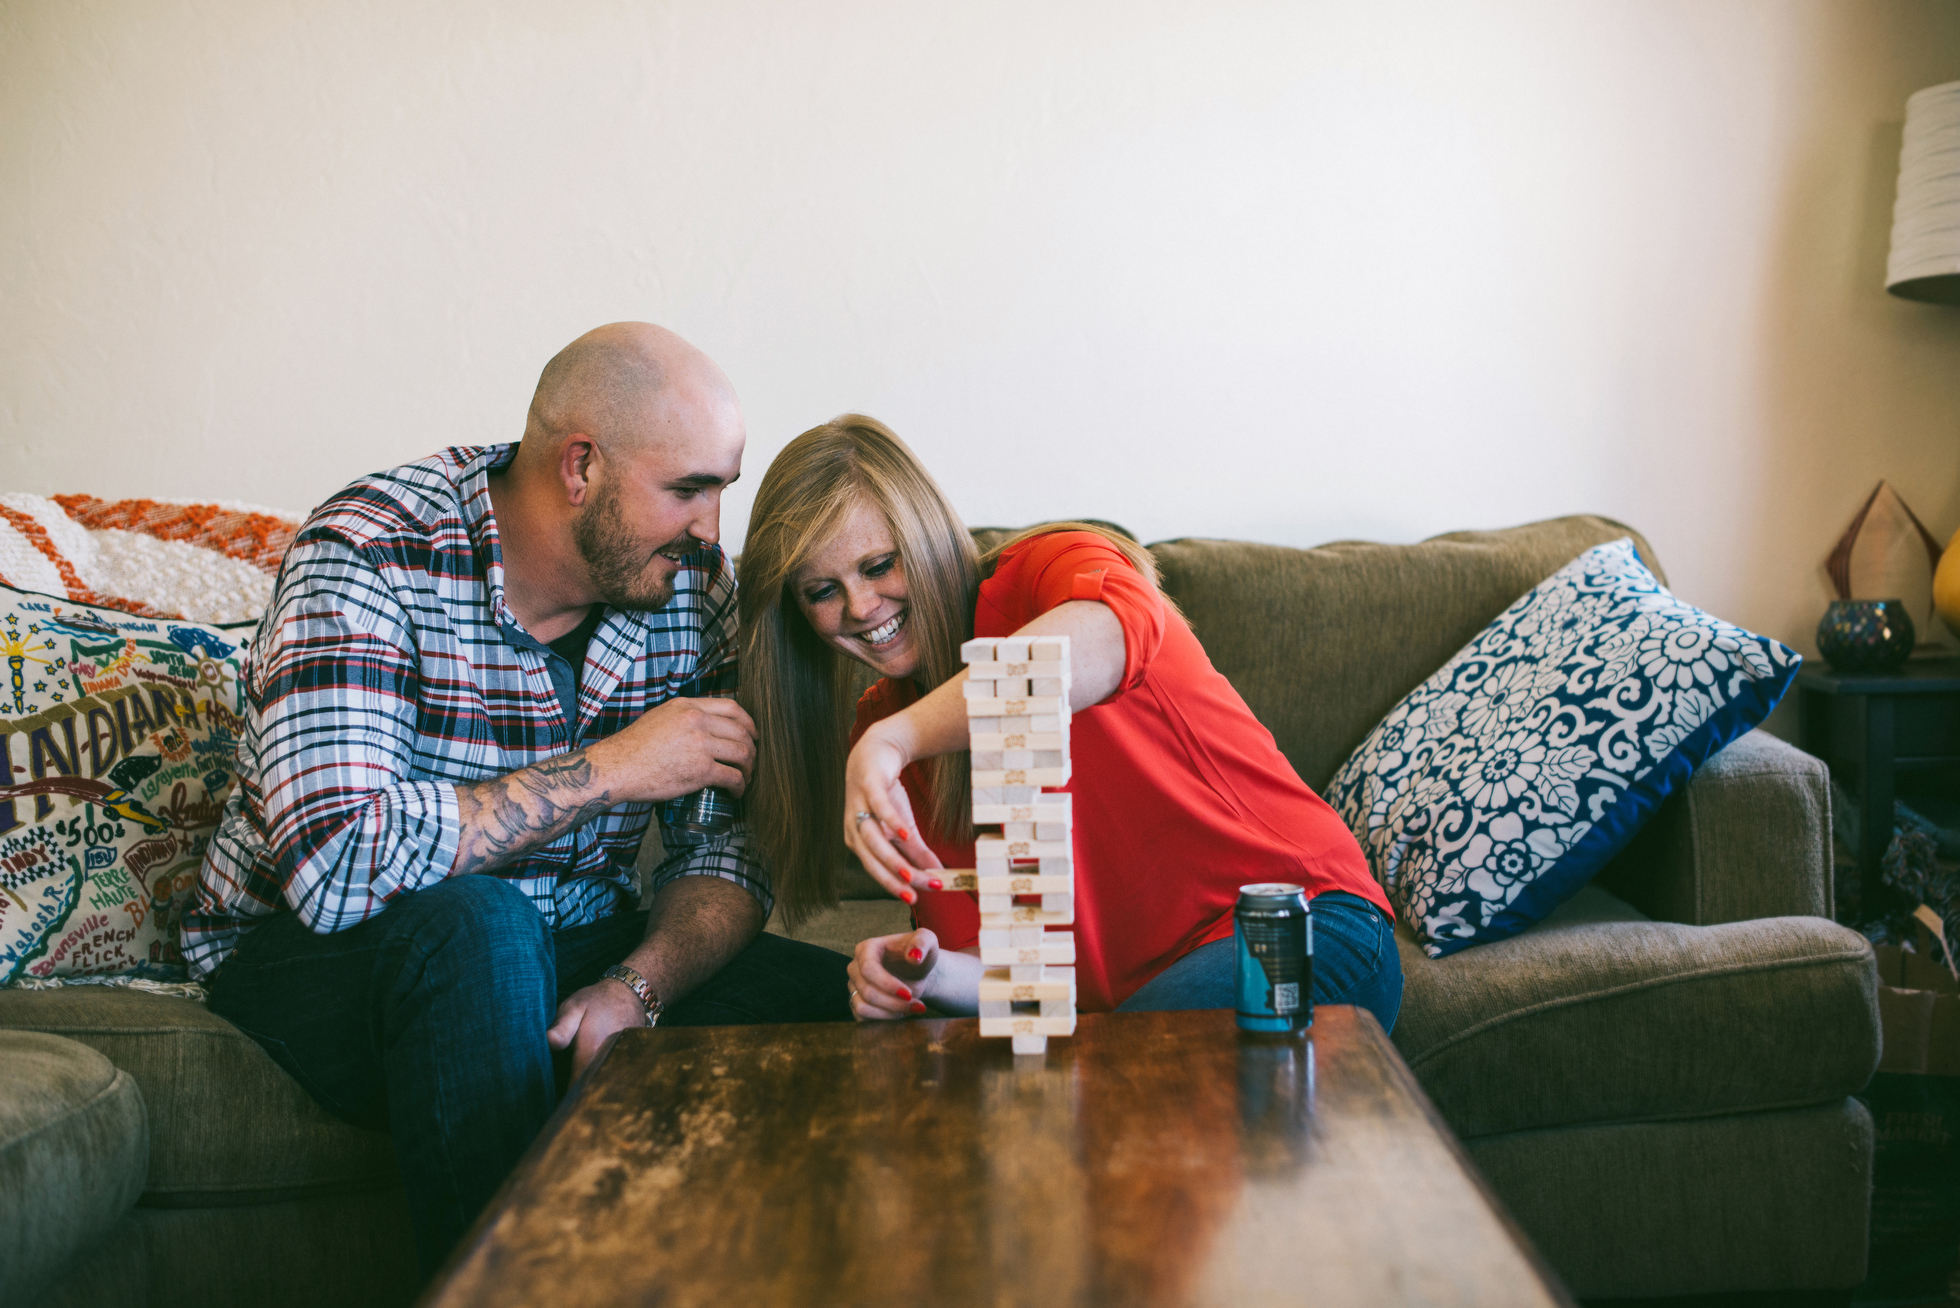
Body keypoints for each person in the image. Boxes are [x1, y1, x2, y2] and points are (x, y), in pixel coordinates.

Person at [183, 323, 851, 1274]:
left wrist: (638, 988)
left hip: (572, 948)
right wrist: (618, 767)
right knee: (482, 930)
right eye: (688, 488)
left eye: (722, 491)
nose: (711, 528)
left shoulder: (692, 589)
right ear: (580, 466)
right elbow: (334, 867)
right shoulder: (372, 554)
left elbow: (723, 853)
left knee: (852, 1006)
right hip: (327, 957)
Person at [736, 415, 1401, 1028]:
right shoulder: (884, 727)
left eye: (879, 565)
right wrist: (924, 973)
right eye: (822, 591)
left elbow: (1105, 639)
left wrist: (896, 740)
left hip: (1304, 925)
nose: (858, 605)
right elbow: (1015, 976)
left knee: (1114, 1079)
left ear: (926, 535)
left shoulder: (1044, 571)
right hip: (1136, 1006)